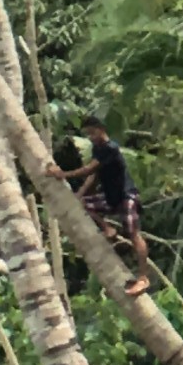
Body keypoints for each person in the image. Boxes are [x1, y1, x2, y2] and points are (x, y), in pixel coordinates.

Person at [50, 118, 151, 298]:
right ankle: (107, 229)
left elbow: (88, 170)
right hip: (111, 198)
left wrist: (62, 175)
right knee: (83, 205)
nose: (91, 137)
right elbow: (94, 176)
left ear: (101, 130)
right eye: (88, 134)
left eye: (92, 133)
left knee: (134, 234)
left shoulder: (110, 148)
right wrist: (78, 195)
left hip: (126, 196)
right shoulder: (97, 149)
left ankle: (143, 277)